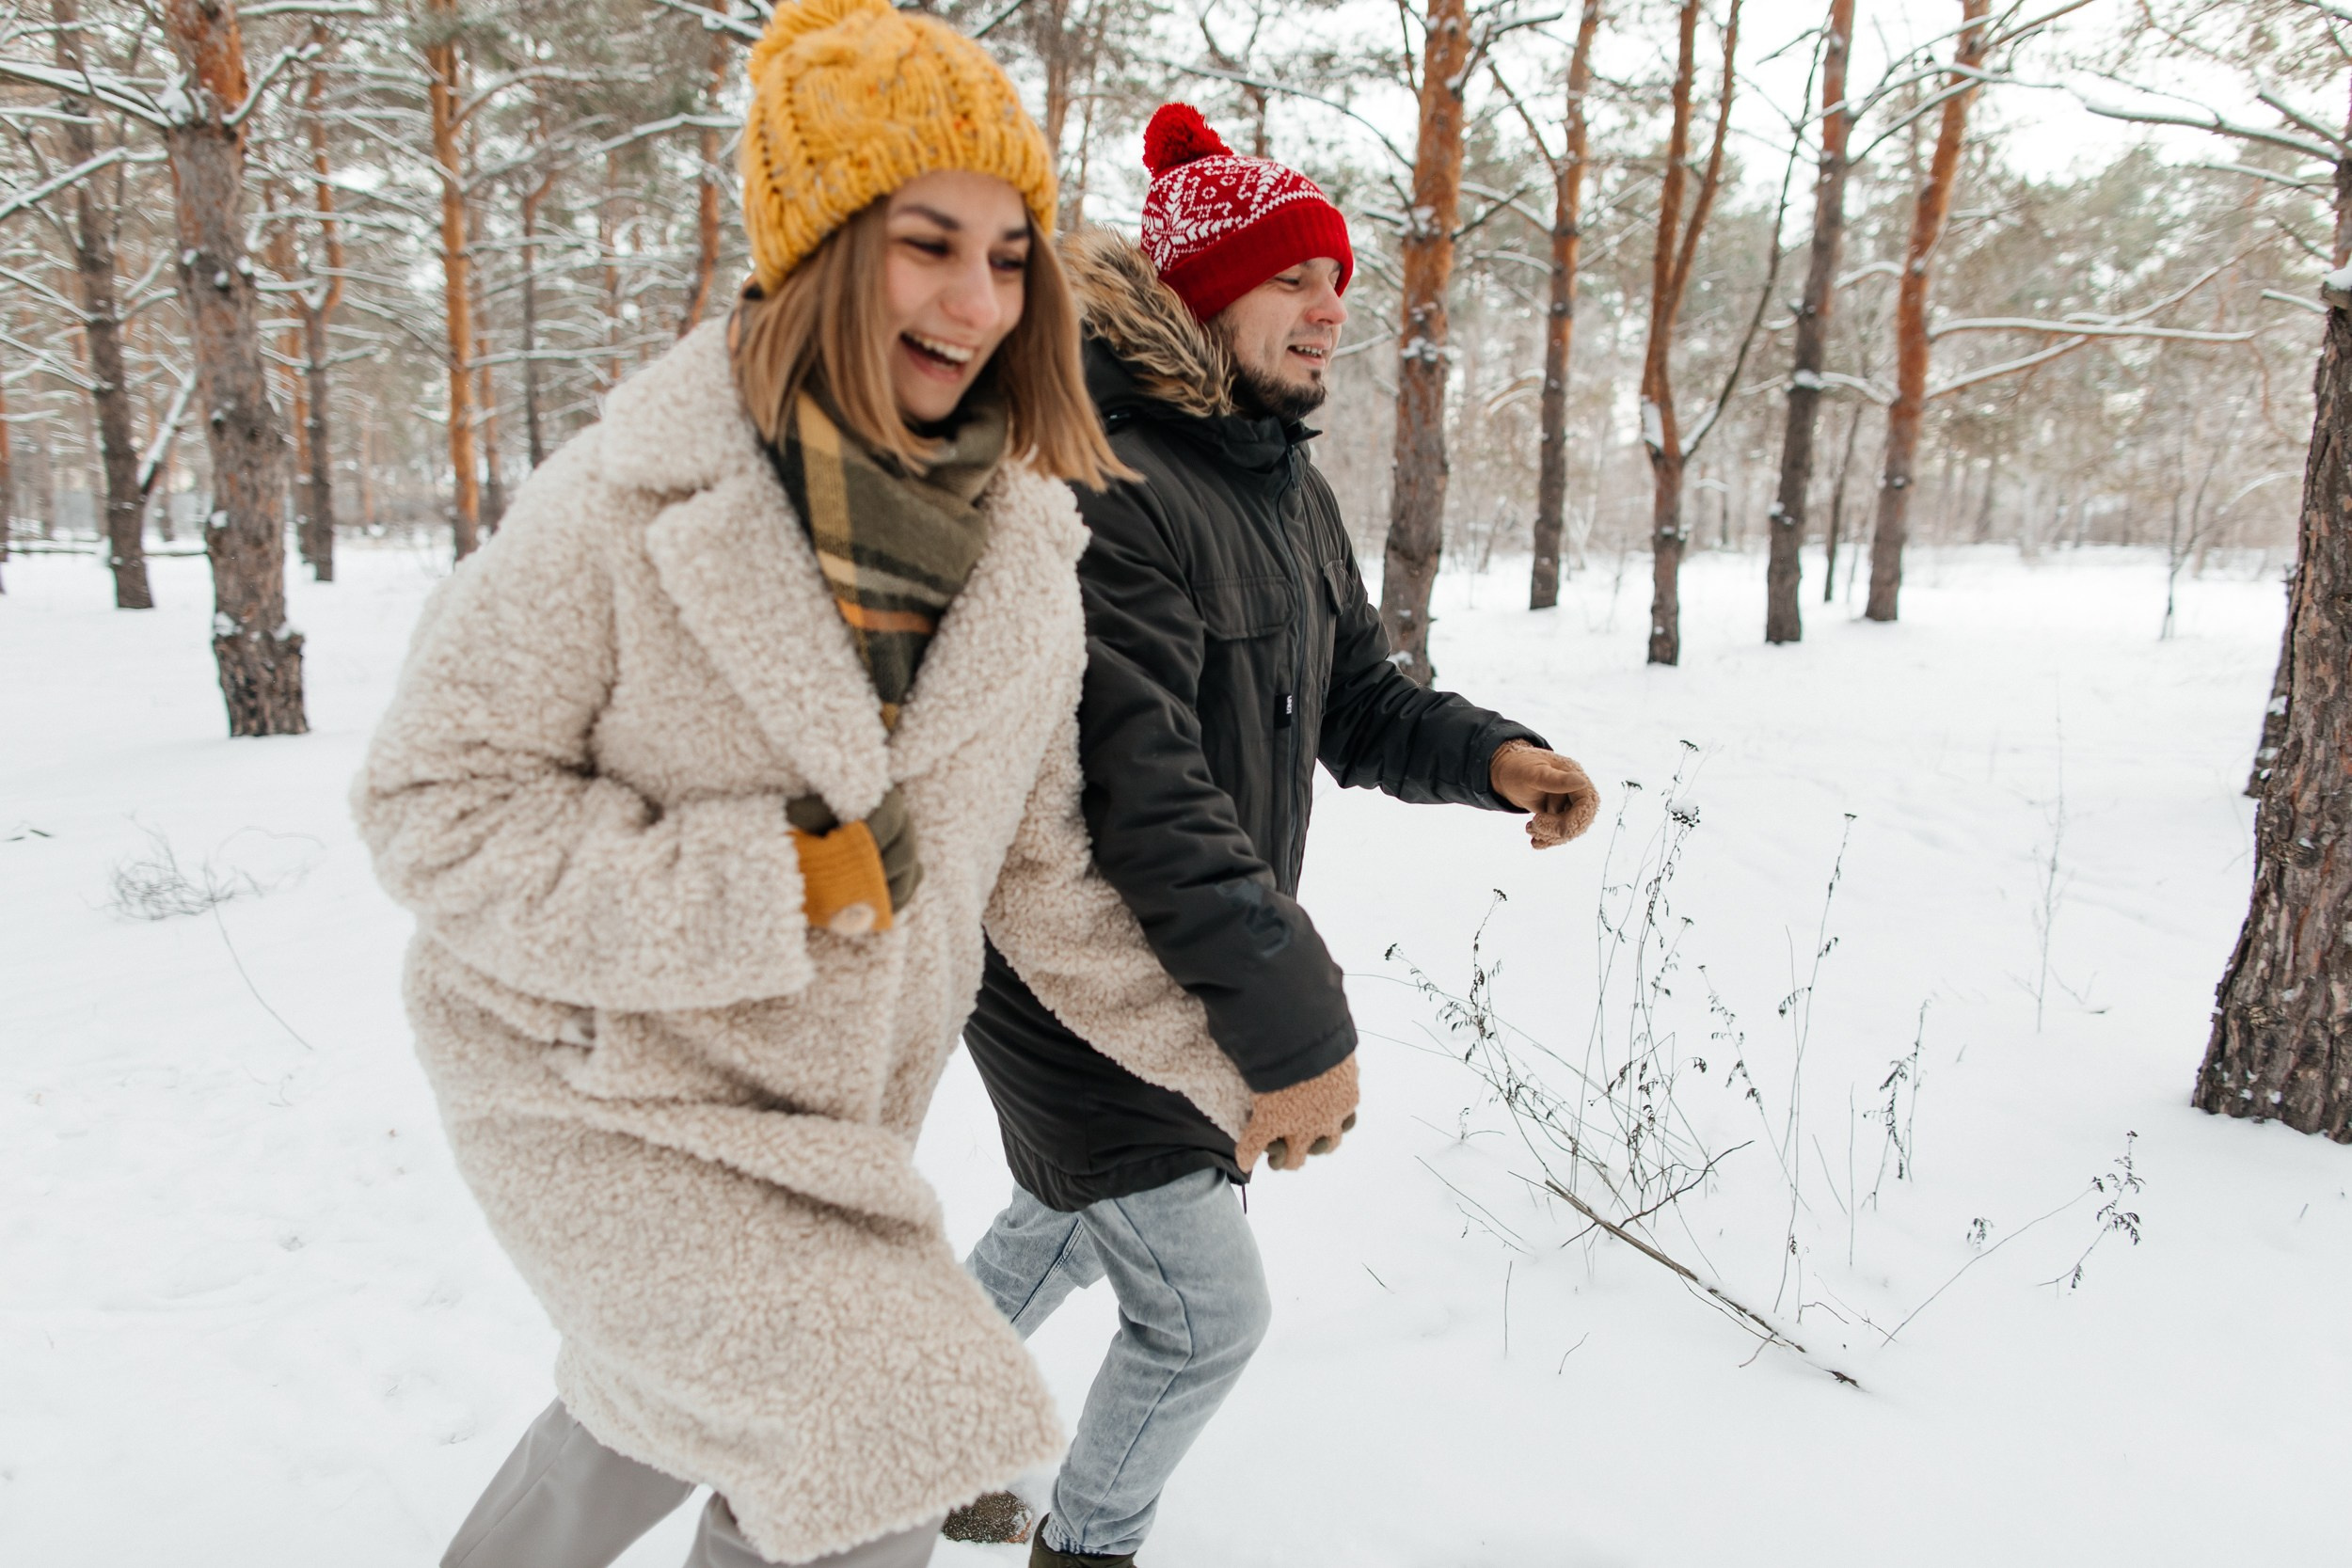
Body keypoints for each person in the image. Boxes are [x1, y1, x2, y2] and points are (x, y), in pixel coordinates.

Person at [350, 1, 1132, 1561]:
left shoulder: (1023, 561)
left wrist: (1234, 1060)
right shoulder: (623, 503)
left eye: (1008, 255)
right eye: (927, 244)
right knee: (883, 1431)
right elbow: (431, 806)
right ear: (823, 248)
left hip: (820, 1117)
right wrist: (772, 880)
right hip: (593, 1089)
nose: (976, 299)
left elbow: (1040, 864)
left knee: (660, 1405)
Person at [955, 104, 1603, 1568]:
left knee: (1068, 1217)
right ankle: (1087, 1544)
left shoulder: (1280, 483)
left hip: (1184, 954)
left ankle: (895, 1430)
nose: (1332, 308)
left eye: (1338, 281)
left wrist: (1492, 758)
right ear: (1202, 296)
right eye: (1294, 278)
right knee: (1205, 1317)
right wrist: (1295, 1027)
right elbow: (1144, 795)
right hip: (1081, 973)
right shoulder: (1108, 484)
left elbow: (1356, 695)